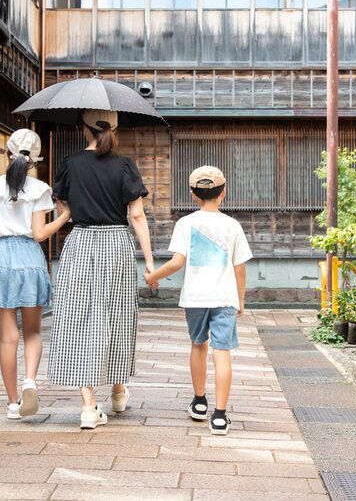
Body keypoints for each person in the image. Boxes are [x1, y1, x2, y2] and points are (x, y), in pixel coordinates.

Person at [47, 109, 155, 430]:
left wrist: (73, 208)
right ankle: (118, 392)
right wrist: (150, 261)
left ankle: (88, 407)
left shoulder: (70, 164)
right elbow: (137, 216)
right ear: (115, 129)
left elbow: (62, 206)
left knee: (79, 317)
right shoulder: (125, 166)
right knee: (117, 315)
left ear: (84, 129)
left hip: (80, 242)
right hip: (116, 244)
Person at [144, 166, 252, 436]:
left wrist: (152, 277)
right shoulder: (233, 225)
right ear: (223, 193)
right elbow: (240, 268)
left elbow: (176, 262)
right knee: (222, 353)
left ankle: (200, 402)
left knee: (198, 345)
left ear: (193, 194)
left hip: (195, 297)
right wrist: (240, 299)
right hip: (224, 297)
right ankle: (220, 416)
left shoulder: (185, 223)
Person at [0, 129, 70, 421]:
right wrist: (65, 216)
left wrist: (1, 247)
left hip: (1, 258)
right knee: (33, 331)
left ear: (8, 154)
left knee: (8, 337)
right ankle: (30, 380)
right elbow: (39, 234)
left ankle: (12, 403)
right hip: (30, 257)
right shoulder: (40, 189)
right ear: (35, 161)